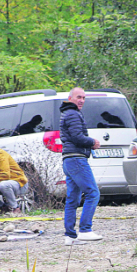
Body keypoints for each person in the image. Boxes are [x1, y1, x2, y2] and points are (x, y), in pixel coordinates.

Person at [60, 87, 102, 245]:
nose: (81, 100)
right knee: (93, 193)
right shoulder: (72, 114)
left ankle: (70, 236)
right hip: (76, 159)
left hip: (69, 160)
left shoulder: (68, 113)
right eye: (78, 97)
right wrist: (92, 142)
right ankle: (85, 230)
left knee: (73, 199)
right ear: (70, 98)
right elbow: (77, 137)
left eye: (84, 97)